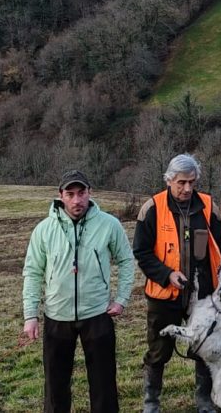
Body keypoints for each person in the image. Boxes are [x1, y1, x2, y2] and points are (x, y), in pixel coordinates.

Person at [134, 154, 221, 413]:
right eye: (181, 182)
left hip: (204, 293)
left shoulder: (207, 205)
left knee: (205, 346)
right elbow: (141, 252)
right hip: (164, 294)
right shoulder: (152, 208)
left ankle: (204, 402)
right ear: (169, 180)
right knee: (158, 350)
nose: (187, 188)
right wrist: (166, 274)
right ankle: (151, 404)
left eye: (191, 182)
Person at [21, 169, 134, 413]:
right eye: (70, 194)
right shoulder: (43, 230)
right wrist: (31, 315)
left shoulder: (109, 225)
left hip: (97, 315)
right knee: (55, 386)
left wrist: (122, 299)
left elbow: (126, 260)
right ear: (60, 196)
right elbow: (32, 272)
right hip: (56, 317)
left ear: (89, 193)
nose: (76, 200)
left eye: (81, 193)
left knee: (104, 384)